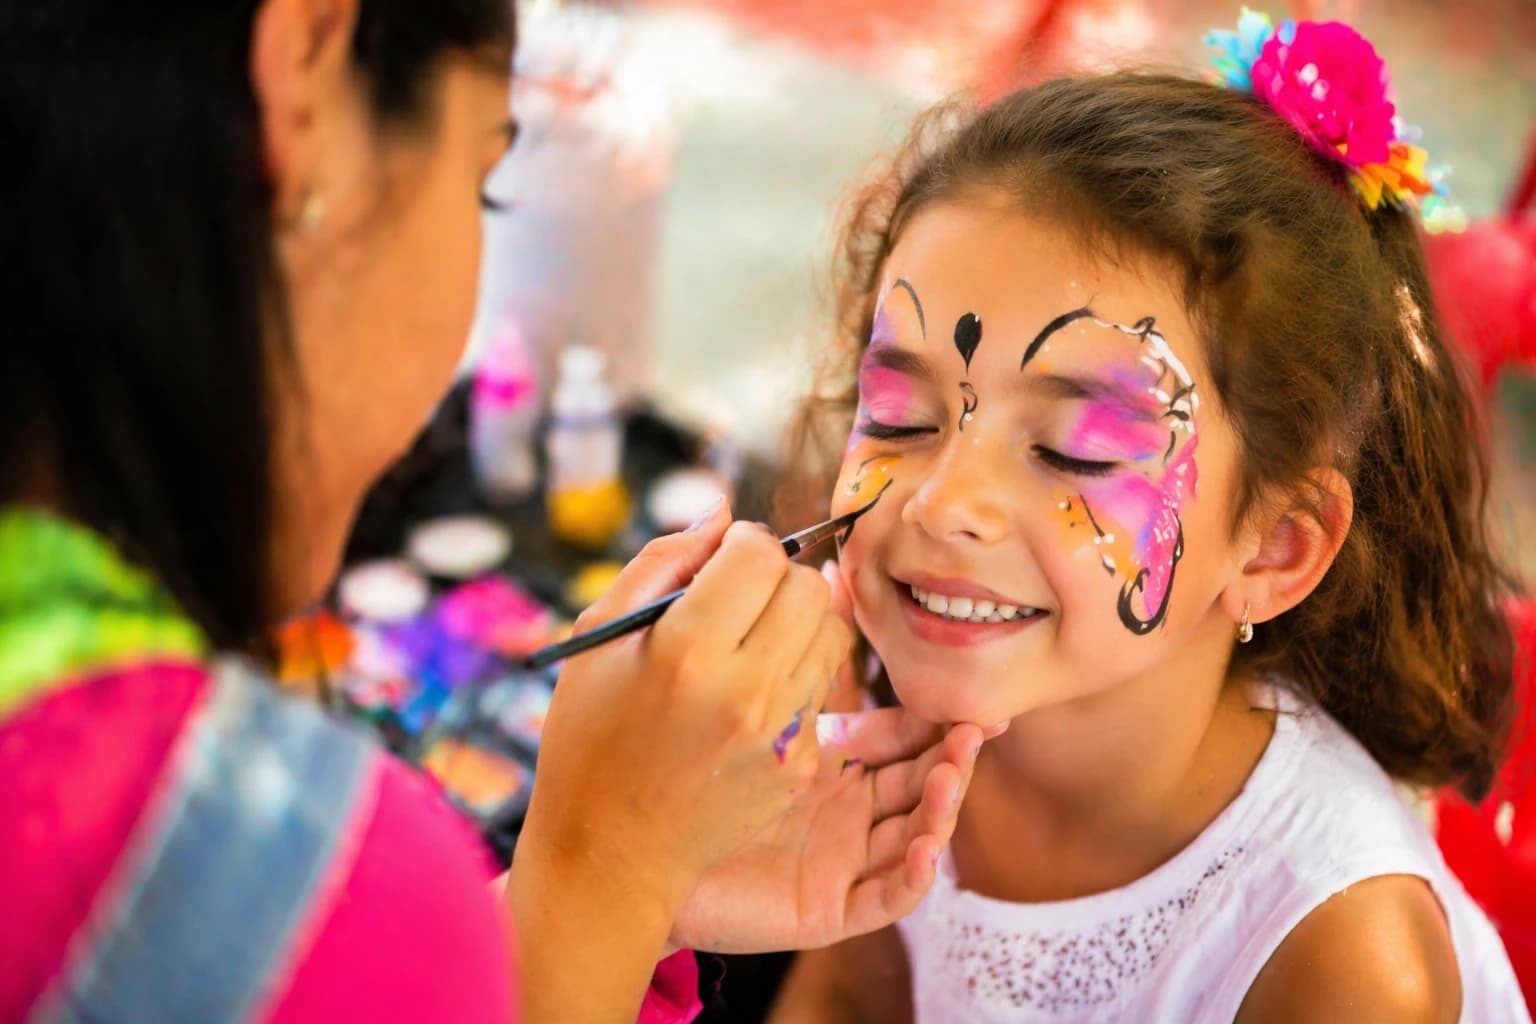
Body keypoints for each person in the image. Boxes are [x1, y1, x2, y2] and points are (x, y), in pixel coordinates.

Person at [0, 1, 991, 1021]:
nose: (952, 506)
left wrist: (622, 893)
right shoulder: (220, 866)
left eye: (1069, 447)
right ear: (304, 73)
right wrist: (603, 870)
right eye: (486, 181)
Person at [770, 10, 1531, 1022]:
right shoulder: (887, 698)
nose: (943, 502)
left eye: (1074, 450)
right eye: (902, 416)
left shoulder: (1342, 957)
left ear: (1274, 547)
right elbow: (846, 995)